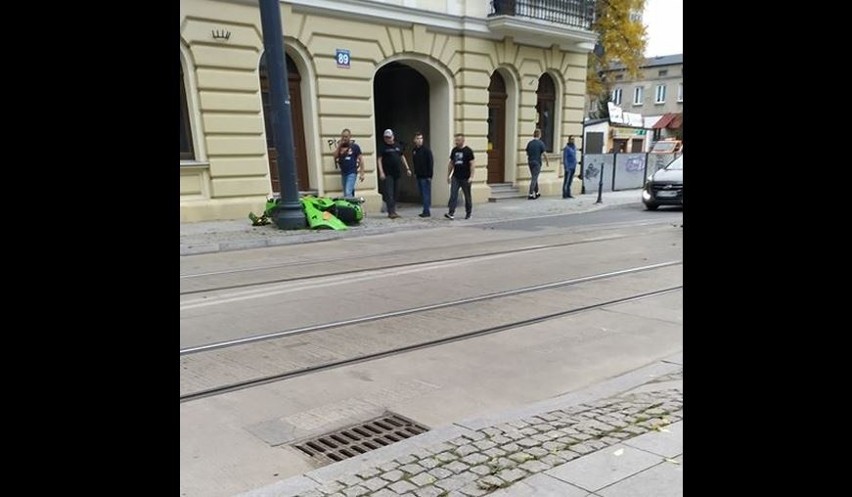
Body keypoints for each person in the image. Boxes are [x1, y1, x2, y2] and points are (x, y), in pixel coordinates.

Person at [377, 128, 412, 219]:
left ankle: (393, 210)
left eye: (389, 137)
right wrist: (381, 172)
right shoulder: (383, 147)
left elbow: (402, 157)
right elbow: (379, 160)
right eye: (386, 138)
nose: (387, 139)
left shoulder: (397, 146)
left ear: (393, 137)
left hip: (397, 173)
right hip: (387, 173)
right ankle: (391, 212)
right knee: (389, 193)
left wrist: (407, 168)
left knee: (396, 192)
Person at [445, 133, 475, 220]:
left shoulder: (468, 151)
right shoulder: (454, 150)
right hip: (456, 177)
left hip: (466, 177)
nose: (456, 142)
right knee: (453, 194)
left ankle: (468, 213)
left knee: (467, 196)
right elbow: (451, 163)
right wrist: (448, 175)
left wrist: (471, 176)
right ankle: (451, 213)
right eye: (455, 140)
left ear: (462, 141)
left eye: (458, 140)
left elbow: (472, 164)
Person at [332, 128, 364, 198]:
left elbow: (361, 159)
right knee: (348, 192)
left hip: (352, 172)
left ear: (350, 137)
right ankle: (354, 206)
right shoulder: (340, 148)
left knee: (347, 192)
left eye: (346, 136)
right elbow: (335, 156)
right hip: (344, 173)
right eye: (343, 136)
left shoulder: (355, 147)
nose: (344, 138)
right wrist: (339, 146)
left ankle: (348, 208)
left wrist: (362, 173)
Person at [412, 131, 434, 217]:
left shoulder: (426, 150)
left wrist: (430, 175)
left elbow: (430, 163)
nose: (420, 140)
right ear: (414, 140)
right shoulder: (414, 150)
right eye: (418, 138)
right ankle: (425, 210)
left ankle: (426, 211)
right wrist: (415, 172)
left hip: (426, 176)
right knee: (422, 194)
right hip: (418, 175)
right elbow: (415, 163)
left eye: (421, 138)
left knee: (426, 194)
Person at [525, 129, 550, 199]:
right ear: (539, 135)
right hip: (537, 162)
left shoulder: (530, 143)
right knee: (534, 178)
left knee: (534, 177)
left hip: (530, 162)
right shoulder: (540, 143)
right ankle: (530, 194)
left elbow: (527, 153)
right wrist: (547, 162)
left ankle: (537, 192)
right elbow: (544, 154)